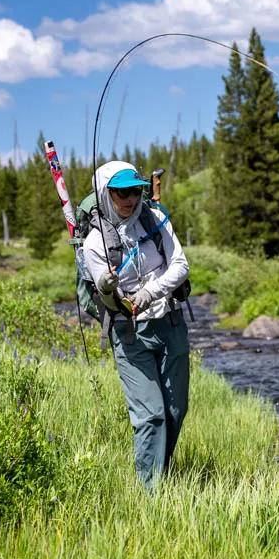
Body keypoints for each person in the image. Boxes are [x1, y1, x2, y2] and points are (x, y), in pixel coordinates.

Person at [83, 160, 191, 490]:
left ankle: (163, 473)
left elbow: (180, 265)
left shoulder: (155, 219)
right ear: (105, 195)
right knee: (151, 415)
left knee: (175, 411)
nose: (130, 199)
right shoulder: (94, 243)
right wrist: (105, 284)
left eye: (135, 190)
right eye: (121, 193)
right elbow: (103, 292)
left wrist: (148, 292)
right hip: (129, 334)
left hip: (170, 322)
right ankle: (150, 493)